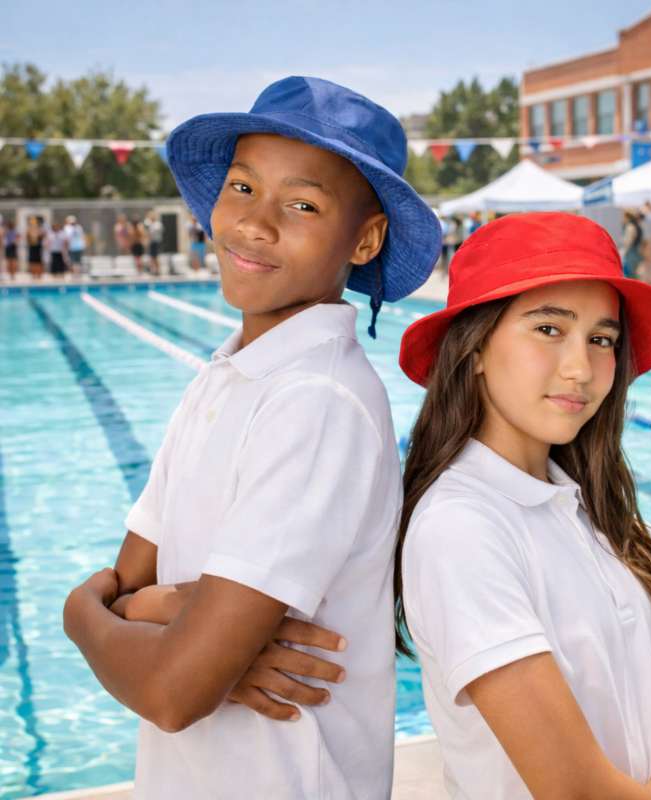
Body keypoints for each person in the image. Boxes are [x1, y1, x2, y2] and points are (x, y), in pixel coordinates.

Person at [62, 76, 442, 800]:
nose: (255, 224)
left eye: (302, 204)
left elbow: (173, 689)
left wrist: (80, 618)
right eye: (241, 188)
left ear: (365, 239)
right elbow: (133, 583)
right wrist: (180, 618)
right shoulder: (226, 376)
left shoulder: (315, 402)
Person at [395, 212, 651, 800]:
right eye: (549, 328)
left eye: (602, 340)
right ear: (474, 347)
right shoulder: (462, 528)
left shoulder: (585, 506)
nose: (581, 370)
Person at [639, 201, 651, 284]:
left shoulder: (648, 216)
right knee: (650, 265)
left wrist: (645, 246)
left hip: (649, 242)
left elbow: (647, 233)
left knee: (648, 265)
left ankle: (649, 283)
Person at [621, 209, 643, 279]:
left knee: (629, 275)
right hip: (637, 251)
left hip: (631, 253)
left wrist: (624, 252)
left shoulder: (630, 226)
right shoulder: (637, 225)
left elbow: (629, 241)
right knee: (633, 273)